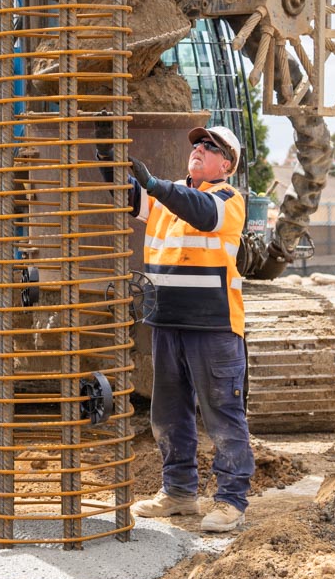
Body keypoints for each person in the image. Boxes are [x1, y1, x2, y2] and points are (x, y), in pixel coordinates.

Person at [102, 125, 254, 533]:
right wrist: (104, 144)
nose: (199, 150)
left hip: (214, 326)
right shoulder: (165, 198)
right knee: (169, 415)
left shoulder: (227, 200)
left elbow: (201, 213)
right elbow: (124, 192)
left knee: (223, 414)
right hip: (167, 322)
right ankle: (179, 492)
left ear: (227, 163)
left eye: (210, 147)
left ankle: (230, 500)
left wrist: (154, 184)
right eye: (197, 145)